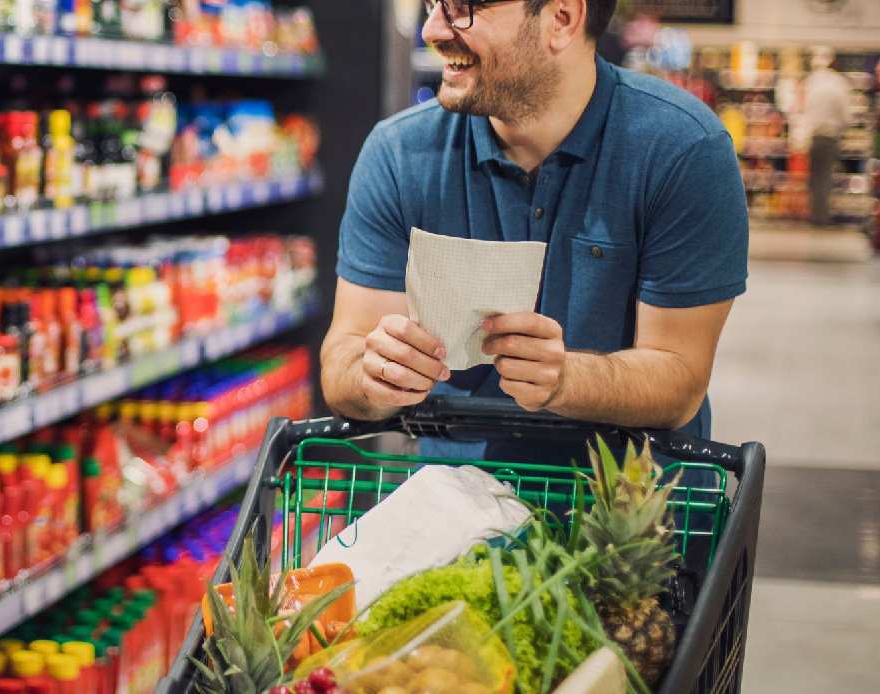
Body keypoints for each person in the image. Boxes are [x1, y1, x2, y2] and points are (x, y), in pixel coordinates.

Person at [320, 0, 748, 460]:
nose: (432, 30)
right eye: (432, 4)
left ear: (561, 19)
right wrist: (374, 373)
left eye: (463, 8)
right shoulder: (399, 154)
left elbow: (679, 376)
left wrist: (565, 378)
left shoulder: (682, 150)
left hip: (633, 513)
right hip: (452, 511)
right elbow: (343, 358)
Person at [801, 46, 853, 227]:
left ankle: (815, 214)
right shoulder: (840, 83)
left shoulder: (812, 80)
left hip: (814, 136)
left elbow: (803, 109)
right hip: (830, 136)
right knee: (825, 177)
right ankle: (821, 217)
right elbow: (846, 115)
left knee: (814, 178)